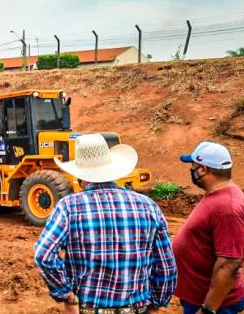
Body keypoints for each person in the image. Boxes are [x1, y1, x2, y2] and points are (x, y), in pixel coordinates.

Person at [34, 133, 176, 314]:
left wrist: (66, 294)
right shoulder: (148, 206)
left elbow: (43, 255)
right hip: (136, 309)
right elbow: (166, 265)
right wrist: (157, 304)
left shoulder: (69, 207)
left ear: (79, 175)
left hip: (88, 308)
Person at [174, 141, 244, 314]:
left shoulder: (228, 208)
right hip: (199, 297)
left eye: (193, 166)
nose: (191, 170)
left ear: (202, 169)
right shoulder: (219, 195)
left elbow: (229, 264)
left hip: (215, 305)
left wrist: (208, 310)